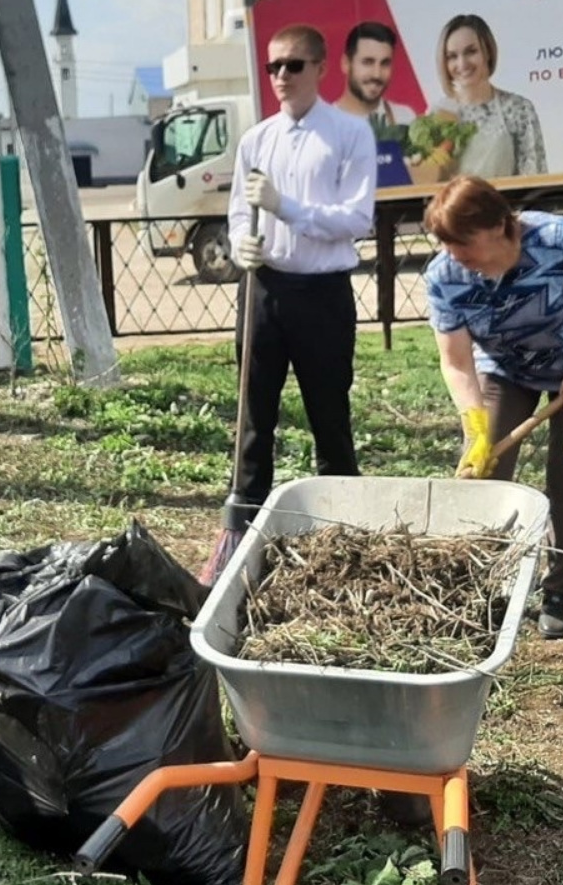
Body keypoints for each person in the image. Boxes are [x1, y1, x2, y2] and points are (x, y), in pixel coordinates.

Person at [423, 176, 563, 638]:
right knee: (484, 470)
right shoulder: (446, 275)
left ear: (499, 225)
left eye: (463, 241)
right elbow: (456, 363)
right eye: (446, 242)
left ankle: (558, 590)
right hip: (504, 370)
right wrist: (476, 428)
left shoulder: (558, 240)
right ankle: (482, 580)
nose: (454, 252)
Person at [227, 23, 376, 528]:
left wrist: (285, 207)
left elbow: (357, 218)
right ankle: (243, 522)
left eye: (292, 65)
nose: (281, 76)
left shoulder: (350, 133)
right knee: (253, 416)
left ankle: (341, 526)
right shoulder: (256, 140)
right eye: (273, 66)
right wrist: (238, 245)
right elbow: (235, 212)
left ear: (321, 67)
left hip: (321, 293)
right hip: (264, 289)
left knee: (329, 415)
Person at [430, 14, 545, 179]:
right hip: (455, 205)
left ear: (488, 52)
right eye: (452, 56)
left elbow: (535, 179)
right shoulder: (437, 115)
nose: (462, 64)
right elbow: (429, 187)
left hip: (509, 205)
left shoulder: (519, 109)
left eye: (471, 52)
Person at [334, 21, 416, 127]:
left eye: (385, 63)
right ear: (346, 63)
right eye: (368, 62)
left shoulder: (405, 118)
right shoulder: (323, 126)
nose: (377, 74)